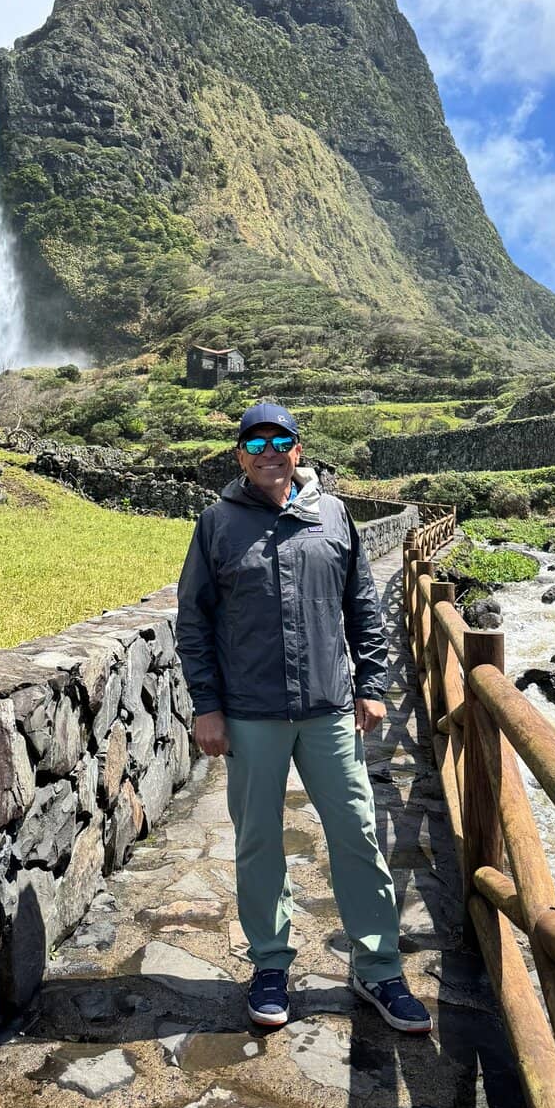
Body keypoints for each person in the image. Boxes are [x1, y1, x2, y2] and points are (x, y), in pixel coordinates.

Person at [176, 402, 431, 1033]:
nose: (268, 450)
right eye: (254, 441)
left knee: (356, 835)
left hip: (327, 711)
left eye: (280, 439)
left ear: (298, 448)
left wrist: (372, 685)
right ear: (240, 455)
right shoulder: (217, 524)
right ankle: (269, 965)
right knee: (259, 842)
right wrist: (206, 706)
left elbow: (363, 609)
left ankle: (379, 970)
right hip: (251, 715)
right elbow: (195, 622)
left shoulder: (333, 516)